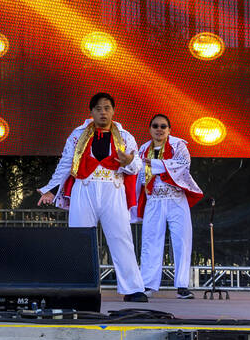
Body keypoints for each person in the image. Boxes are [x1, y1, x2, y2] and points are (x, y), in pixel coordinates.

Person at [37, 92, 149, 302]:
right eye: (98, 109)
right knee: (78, 236)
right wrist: (50, 189)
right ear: (91, 112)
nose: (103, 112)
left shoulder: (125, 136)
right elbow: (66, 163)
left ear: (113, 111)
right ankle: (78, 288)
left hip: (113, 187)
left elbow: (137, 167)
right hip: (84, 188)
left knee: (121, 237)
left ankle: (133, 289)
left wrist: (127, 162)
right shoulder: (78, 134)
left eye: (107, 108)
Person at [133, 114, 203, 299]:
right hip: (154, 200)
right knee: (150, 242)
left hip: (175, 199)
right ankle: (147, 284)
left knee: (182, 241)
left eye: (163, 126)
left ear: (169, 130)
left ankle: (182, 286)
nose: (159, 129)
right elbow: (137, 175)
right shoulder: (143, 149)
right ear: (150, 129)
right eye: (155, 125)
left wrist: (156, 164)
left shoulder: (179, 145)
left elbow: (183, 165)